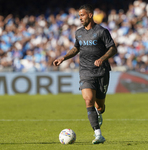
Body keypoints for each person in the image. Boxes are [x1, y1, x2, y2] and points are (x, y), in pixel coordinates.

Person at [53, 4, 117, 144]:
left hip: (102, 72)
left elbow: (112, 49)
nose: (80, 18)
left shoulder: (101, 31)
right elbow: (76, 48)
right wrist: (63, 58)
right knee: (88, 100)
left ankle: (98, 111)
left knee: (100, 106)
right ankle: (98, 134)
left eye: (82, 15)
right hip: (85, 71)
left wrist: (102, 59)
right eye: (79, 16)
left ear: (90, 15)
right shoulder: (79, 33)